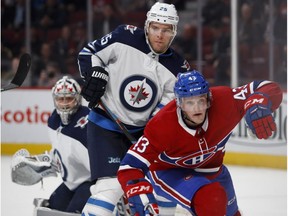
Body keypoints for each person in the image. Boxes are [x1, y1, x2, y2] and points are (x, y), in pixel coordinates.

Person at [117, 70, 283, 216]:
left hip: (213, 169)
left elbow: (267, 86)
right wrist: (136, 189)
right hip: (170, 172)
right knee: (211, 198)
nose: (197, 108)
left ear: (209, 99)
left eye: (201, 101)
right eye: (190, 102)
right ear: (179, 104)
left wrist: (257, 102)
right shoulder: (162, 125)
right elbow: (129, 167)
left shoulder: (225, 101)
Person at [78, 2, 190, 215]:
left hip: (140, 137)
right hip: (105, 126)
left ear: (174, 32)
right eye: (155, 28)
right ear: (147, 26)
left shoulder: (178, 68)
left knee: (160, 190)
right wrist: (95, 73)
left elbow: (165, 110)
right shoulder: (124, 37)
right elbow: (90, 52)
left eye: (166, 30)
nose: (160, 35)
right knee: (109, 188)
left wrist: (151, 135)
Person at [11, 76, 93, 215]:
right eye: (61, 99)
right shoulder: (54, 120)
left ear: (78, 99)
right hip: (71, 182)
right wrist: (44, 165)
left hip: (91, 182)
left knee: (73, 213)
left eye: (69, 98)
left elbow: (99, 164)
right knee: (49, 209)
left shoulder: (86, 123)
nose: (65, 103)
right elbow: (61, 152)